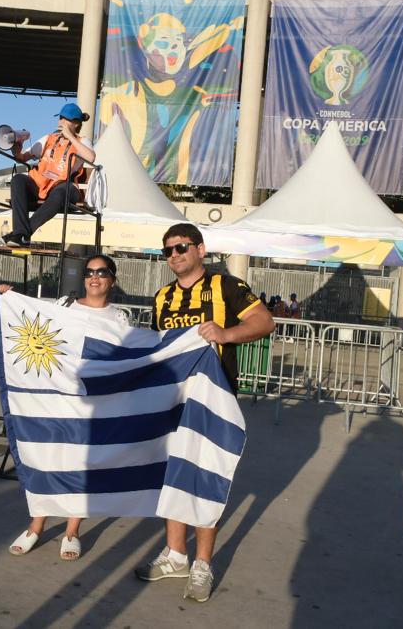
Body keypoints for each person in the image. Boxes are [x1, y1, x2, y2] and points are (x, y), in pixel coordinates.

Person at [136, 222, 274, 602]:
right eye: (168, 250)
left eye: (182, 247)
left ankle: (202, 565)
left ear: (200, 249)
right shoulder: (162, 297)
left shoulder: (225, 285)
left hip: (213, 401)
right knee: (174, 477)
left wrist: (226, 334)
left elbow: (264, 321)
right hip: (172, 402)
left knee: (205, 477)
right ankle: (175, 554)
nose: (175, 255)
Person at [2, 254, 128, 560]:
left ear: (112, 278)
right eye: (89, 272)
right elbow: (34, 321)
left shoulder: (120, 317)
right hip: (56, 399)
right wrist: (10, 298)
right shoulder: (65, 305)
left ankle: (72, 531)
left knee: (82, 466)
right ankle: (36, 526)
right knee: (49, 459)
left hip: (93, 403)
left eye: (101, 272)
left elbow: (124, 360)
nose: (94, 277)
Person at [2, 103, 96, 248]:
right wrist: (16, 151)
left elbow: (90, 157)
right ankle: (21, 234)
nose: (62, 122)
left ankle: (21, 234)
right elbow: (23, 158)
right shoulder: (48, 138)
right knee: (18, 179)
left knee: (59, 193)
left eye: (67, 120)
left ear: (76, 124)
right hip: (41, 183)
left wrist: (70, 137)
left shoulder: (82, 141)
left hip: (66, 186)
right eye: (61, 118)